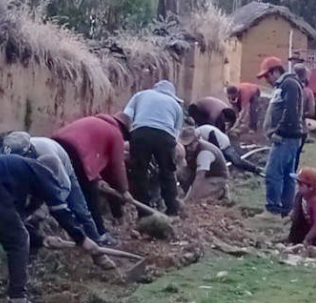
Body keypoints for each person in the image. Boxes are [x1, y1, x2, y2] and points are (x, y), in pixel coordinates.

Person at [0, 153, 102, 303]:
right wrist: (82, 239)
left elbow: (12, 224)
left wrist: (43, 239)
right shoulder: (44, 173)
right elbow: (60, 211)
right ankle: (18, 300)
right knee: (18, 240)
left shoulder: (18, 175)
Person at [2, 132, 109, 248]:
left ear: (29, 151)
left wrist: (48, 208)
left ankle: (97, 245)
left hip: (61, 173)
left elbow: (64, 187)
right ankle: (31, 245)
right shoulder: (5, 153)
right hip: (35, 176)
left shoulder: (49, 156)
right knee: (29, 214)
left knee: (80, 211)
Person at [50, 113, 133, 242]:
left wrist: (99, 179)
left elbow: (98, 159)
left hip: (53, 145)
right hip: (75, 151)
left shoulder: (93, 121)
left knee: (52, 188)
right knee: (90, 195)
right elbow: (117, 167)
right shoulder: (115, 133)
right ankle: (98, 235)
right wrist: (124, 190)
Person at [122, 80, 184, 217]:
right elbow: (176, 135)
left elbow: (126, 115)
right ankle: (172, 210)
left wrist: (131, 134)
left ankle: (144, 212)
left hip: (140, 133)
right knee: (167, 173)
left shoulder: (140, 95)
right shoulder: (177, 106)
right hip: (165, 136)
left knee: (140, 173)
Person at [257, 57, 304, 219]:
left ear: (276, 71)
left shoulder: (289, 84)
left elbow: (291, 111)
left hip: (285, 138)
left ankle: (273, 210)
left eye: (267, 76)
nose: (266, 80)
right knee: (286, 174)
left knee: (273, 172)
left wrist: (279, 131)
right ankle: (286, 209)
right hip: (289, 138)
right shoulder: (285, 85)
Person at [177, 127, 232, 204]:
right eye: (185, 145)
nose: (188, 148)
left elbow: (200, 177)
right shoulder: (186, 149)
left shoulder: (205, 153)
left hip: (214, 177)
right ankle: (191, 193)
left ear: (197, 141)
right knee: (179, 171)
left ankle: (221, 191)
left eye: (190, 145)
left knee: (198, 200)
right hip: (196, 172)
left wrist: (188, 200)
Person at [195, 122, 263, 176]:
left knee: (237, 162)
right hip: (222, 140)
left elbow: (215, 149)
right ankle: (256, 169)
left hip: (224, 144)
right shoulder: (201, 130)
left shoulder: (205, 133)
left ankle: (256, 170)